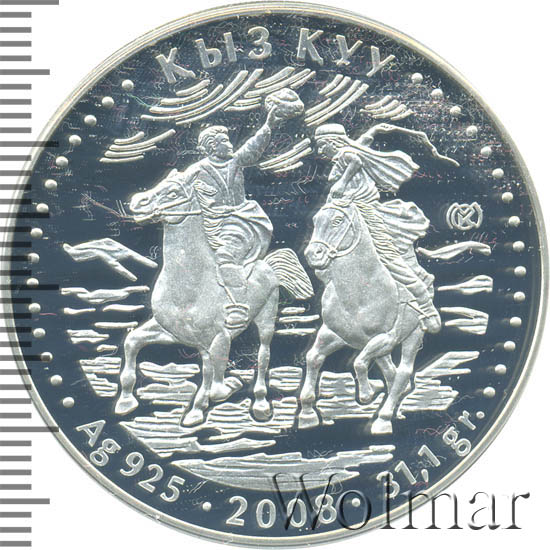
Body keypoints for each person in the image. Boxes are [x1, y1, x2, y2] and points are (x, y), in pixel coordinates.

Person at [314, 123, 441, 333]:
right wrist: (373, 131)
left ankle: (426, 305)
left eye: (322, 145)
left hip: (365, 214)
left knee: (389, 259)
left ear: (333, 142)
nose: (320, 151)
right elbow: (361, 145)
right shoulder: (346, 152)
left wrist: (342, 183)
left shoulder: (345, 154)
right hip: (350, 213)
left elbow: (355, 159)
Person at [178, 109, 280, 329]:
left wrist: (269, 125)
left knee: (226, 255)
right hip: (209, 224)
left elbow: (252, 148)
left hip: (240, 222)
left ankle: (239, 306)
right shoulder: (196, 170)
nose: (230, 144)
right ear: (212, 146)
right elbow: (176, 188)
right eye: (224, 141)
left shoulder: (236, 162)